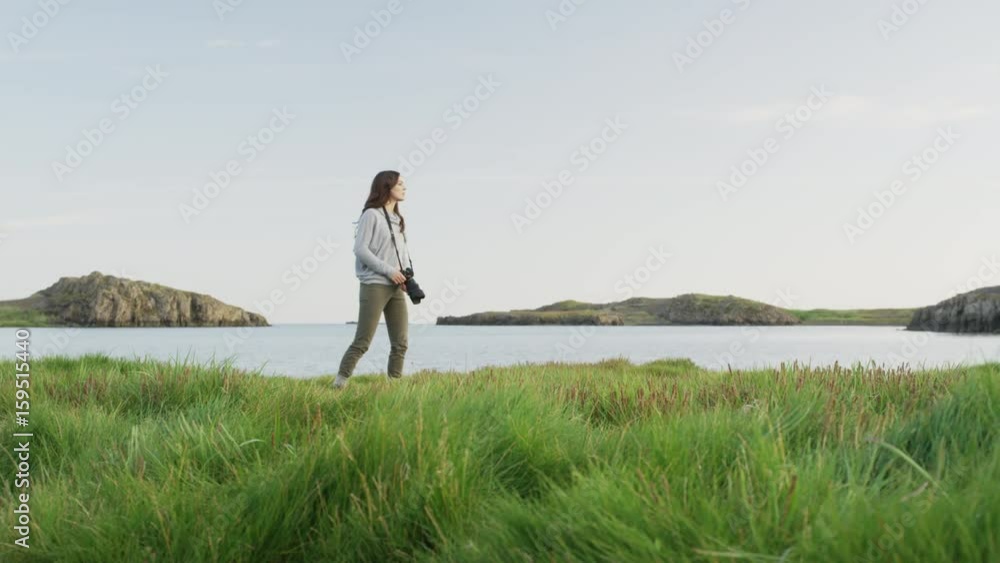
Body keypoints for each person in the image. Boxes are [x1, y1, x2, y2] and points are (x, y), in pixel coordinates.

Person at [333, 170, 412, 388]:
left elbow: (401, 253)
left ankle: (393, 389)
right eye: (400, 184)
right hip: (374, 284)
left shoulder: (398, 220)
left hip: (396, 286)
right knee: (363, 342)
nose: (405, 188)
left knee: (401, 343)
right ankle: (339, 384)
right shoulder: (371, 215)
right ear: (387, 187)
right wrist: (388, 271)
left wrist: (405, 276)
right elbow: (360, 250)